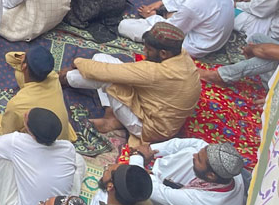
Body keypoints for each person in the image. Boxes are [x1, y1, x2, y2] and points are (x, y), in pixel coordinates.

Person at [65, 22, 199, 142]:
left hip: (148, 128)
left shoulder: (157, 72)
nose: (144, 52)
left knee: (108, 80)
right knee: (100, 58)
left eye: (149, 50)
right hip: (155, 111)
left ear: (163, 54)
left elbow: (106, 72)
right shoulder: (182, 55)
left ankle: (66, 79)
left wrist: (77, 64)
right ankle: (112, 115)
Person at [0, 46, 76, 142]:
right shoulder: (53, 76)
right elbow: (9, 58)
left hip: (41, 141)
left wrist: (26, 58)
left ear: (24, 66)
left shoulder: (17, 104)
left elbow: (6, 133)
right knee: (19, 73)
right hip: (61, 134)